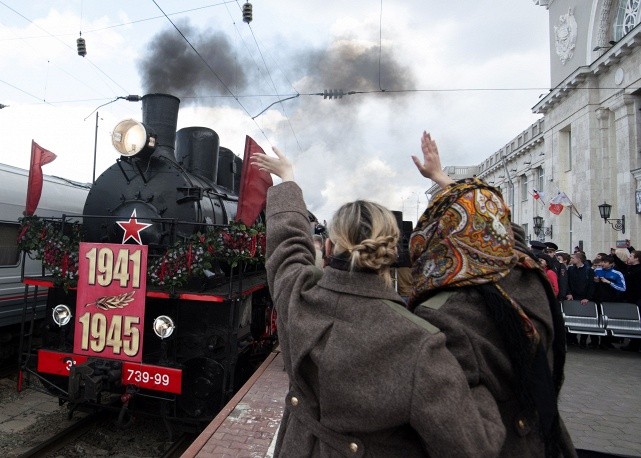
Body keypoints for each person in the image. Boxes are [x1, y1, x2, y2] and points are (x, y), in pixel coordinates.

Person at [252, 146, 505, 457]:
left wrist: (287, 179)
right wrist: (481, 387)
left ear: (328, 247)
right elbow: (473, 448)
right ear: (390, 253)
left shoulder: (298, 297)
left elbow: (288, 245)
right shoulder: (421, 342)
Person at [408, 131, 576, 457]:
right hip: (547, 440)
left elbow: (453, 432)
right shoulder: (528, 276)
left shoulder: (442, 314)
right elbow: (502, 235)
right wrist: (442, 179)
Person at [565, 252, 596, 348]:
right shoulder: (570, 269)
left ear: (579, 259)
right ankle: (572, 339)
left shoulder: (589, 270)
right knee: (572, 318)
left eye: (573, 258)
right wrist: (569, 293)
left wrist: (588, 298)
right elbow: (567, 282)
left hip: (584, 298)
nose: (571, 259)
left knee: (584, 320)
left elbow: (591, 285)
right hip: (573, 297)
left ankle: (583, 340)